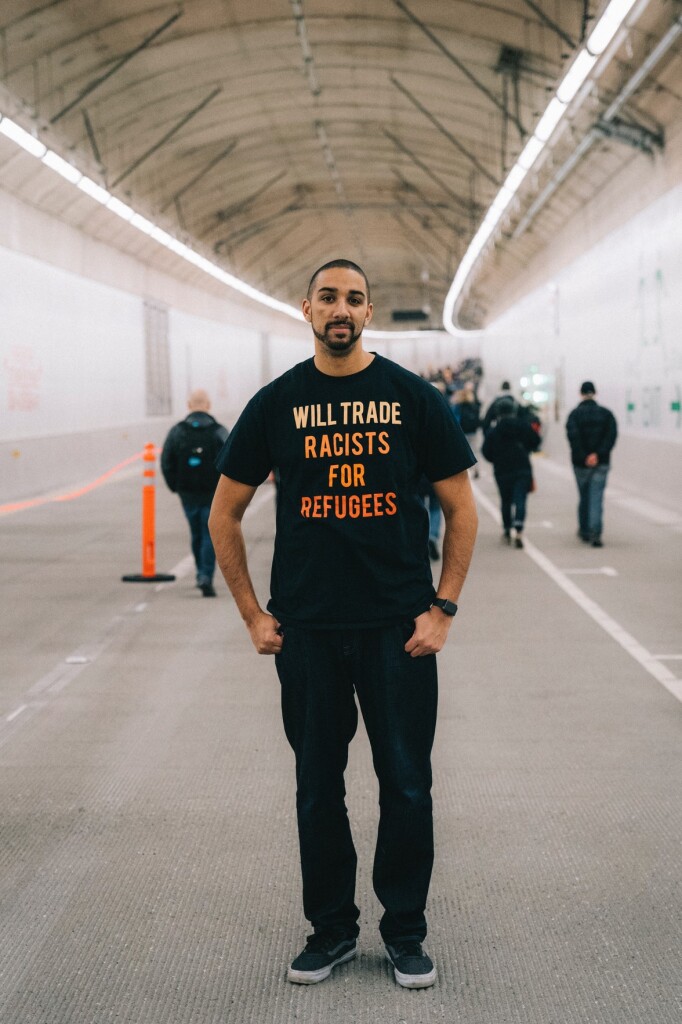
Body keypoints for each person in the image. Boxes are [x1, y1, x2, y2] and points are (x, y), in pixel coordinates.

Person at [209, 260, 478, 989]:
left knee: (407, 784)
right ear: (306, 309)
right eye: (328, 296)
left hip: (398, 629)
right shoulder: (277, 403)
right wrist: (252, 616)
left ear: (368, 312)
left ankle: (405, 932)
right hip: (309, 633)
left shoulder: (411, 398)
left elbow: (461, 507)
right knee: (317, 786)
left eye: (354, 298)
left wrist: (443, 608)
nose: (341, 308)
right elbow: (222, 513)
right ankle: (330, 930)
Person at [161, 389, 229, 596]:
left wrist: (176, 486)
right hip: (213, 492)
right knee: (210, 532)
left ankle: (201, 572)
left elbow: (166, 461)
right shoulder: (219, 431)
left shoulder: (177, 431)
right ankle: (205, 575)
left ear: (189, 405)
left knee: (196, 532)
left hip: (187, 492)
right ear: (208, 405)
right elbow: (232, 459)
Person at [481, 397, 540, 547]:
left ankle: (507, 529)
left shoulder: (495, 430)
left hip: (502, 469)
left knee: (505, 500)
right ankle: (519, 529)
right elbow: (536, 441)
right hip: (522, 467)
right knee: (520, 498)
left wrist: (495, 459)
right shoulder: (523, 425)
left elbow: (486, 451)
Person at [566, 381, 618, 547]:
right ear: (595, 393)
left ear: (580, 393)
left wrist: (585, 456)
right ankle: (595, 533)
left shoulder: (574, 415)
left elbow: (573, 438)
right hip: (601, 462)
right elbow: (611, 437)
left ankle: (584, 530)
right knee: (596, 497)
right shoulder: (607, 414)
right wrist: (598, 455)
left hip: (580, 464)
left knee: (584, 496)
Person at [454, 383, 481, 477]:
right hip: (472, 431)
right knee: (474, 450)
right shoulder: (473, 404)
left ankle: (465, 471)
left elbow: (455, 418)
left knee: (462, 451)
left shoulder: (458, 405)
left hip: (462, 431)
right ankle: (476, 469)